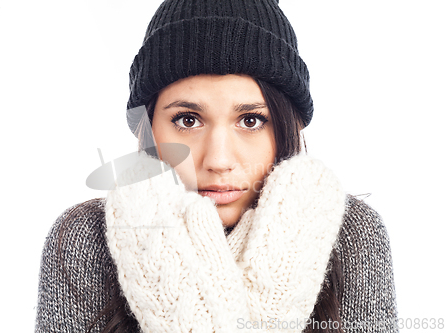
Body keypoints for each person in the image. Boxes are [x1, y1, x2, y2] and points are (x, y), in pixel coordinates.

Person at [35, 0, 399, 332]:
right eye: (188, 120)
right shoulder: (85, 238)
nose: (219, 160)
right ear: (148, 130)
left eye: (252, 121)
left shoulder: (350, 233)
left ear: (291, 125)